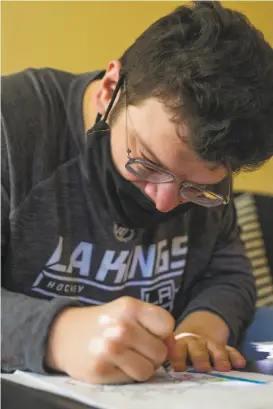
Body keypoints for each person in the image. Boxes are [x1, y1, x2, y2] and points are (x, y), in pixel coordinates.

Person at [1, 1, 273, 385]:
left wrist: (202, 329)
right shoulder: (12, 127)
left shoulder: (212, 170)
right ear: (111, 89)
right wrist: (55, 336)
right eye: (147, 162)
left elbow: (227, 273)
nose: (163, 202)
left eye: (196, 187)